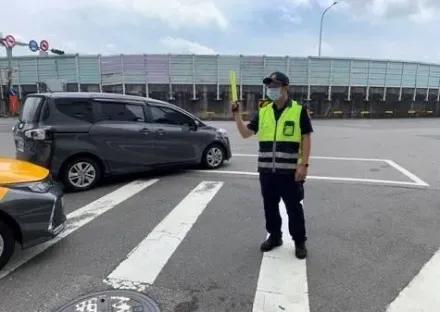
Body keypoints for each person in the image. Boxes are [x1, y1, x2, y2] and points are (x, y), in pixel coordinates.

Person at [231, 71, 313, 260]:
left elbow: (306, 137)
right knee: (270, 206)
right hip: (267, 171)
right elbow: (245, 133)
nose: (271, 89)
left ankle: (299, 241)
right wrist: (236, 115)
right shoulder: (263, 111)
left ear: (285, 88)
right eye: (269, 86)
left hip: (290, 172)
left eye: (275, 86)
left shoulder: (298, 110)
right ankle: (275, 237)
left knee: (294, 208)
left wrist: (304, 164)